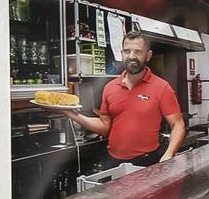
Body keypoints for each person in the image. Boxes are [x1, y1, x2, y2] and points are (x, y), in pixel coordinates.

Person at [57, 31, 185, 167]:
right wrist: (72, 114)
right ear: (121, 53)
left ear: (148, 56)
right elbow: (104, 127)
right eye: (127, 51)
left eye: (138, 52)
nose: (131, 56)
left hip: (146, 162)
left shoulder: (162, 87)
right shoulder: (110, 87)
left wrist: (169, 153)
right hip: (113, 162)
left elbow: (178, 125)